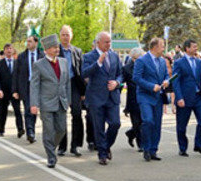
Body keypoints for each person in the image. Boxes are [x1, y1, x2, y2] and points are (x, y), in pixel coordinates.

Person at [81, 31, 123, 165]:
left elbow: (121, 74)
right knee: (98, 128)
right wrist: (98, 63)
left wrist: (116, 82)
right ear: (98, 42)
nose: (109, 44)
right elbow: (84, 73)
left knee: (115, 124)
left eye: (110, 42)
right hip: (96, 97)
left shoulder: (115, 56)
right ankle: (102, 154)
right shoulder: (88, 56)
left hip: (112, 97)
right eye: (106, 42)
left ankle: (105, 146)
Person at [30, 34, 71, 168]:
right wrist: (34, 104)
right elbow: (34, 85)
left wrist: (68, 99)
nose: (57, 49)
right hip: (46, 103)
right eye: (54, 47)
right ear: (46, 49)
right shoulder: (38, 65)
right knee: (48, 130)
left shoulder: (63, 62)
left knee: (61, 129)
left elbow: (67, 83)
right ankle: (51, 157)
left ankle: (50, 147)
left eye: (57, 47)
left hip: (61, 102)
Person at [133, 38, 169, 161]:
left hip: (158, 97)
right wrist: (151, 86)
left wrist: (166, 81)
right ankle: (146, 148)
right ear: (154, 47)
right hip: (145, 96)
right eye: (162, 46)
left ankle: (153, 150)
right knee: (148, 121)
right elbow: (136, 78)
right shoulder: (141, 60)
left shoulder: (163, 61)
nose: (164, 48)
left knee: (157, 124)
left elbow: (166, 75)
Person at [172, 39, 201, 156]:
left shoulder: (199, 62)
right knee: (182, 126)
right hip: (184, 98)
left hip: (198, 97)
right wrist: (179, 98)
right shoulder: (179, 63)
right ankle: (182, 148)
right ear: (187, 48)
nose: (196, 48)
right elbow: (176, 82)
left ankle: (199, 144)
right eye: (194, 46)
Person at [56, 25, 87, 157]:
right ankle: (62, 146)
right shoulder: (55, 50)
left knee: (77, 114)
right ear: (60, 36)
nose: (65, 37)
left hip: (74, 84)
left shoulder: (77, 51)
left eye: (67, 34)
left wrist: (83, 92)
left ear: (71, 36)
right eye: (63, 34)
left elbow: (81, 71)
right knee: (61, 116)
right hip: (60, 85)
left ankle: (75, 146)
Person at [12, 35, 44, 143]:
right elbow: (15, 73)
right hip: (25, 86)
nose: (28, 43)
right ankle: (30, 132)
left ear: (36, 43)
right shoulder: (21, 57)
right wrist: (15, 90)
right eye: (27, 42)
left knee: (33, 109)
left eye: (30, 41)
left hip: (39, 86)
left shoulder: (42, 55)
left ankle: (32, 129)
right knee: (27, 109)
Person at [0, 43, 24, 137]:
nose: (9, 50)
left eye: (11, 48)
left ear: (13, 50)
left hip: (14, 91)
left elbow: (20, 78)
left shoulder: (17, 63)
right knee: (2, 112)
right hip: (3, 91)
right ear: (4, 50)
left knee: (17, 111)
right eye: (7, 49)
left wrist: (19, 90)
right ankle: (1, 130)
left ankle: (20, 129)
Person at [123, 48, 145, 151]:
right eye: (135, 58)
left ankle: (130, 134)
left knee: (143, 122)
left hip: (145, 98)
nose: (137, 60)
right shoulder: (127, 68)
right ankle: (141, 145)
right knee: (136, 123)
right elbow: (120, 81)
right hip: (132, 100)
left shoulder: (146, 66)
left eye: (139, 58)